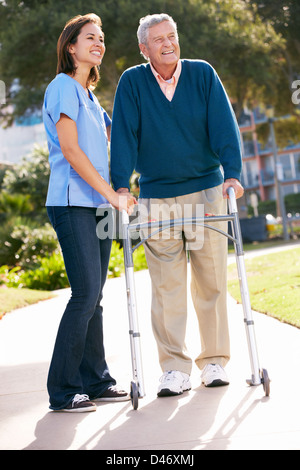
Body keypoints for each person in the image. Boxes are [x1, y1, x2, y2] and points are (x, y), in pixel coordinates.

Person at [110, 14, 244, 397]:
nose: (168, 43)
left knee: (211, 280)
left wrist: (232, 173)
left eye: (172, 36)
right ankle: (174, 369)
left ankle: (214, 361)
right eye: (158, 39)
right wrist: (121, 184)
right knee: (167, 286)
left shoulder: (202, 74)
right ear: (143, 48)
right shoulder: (133, 82)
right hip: (155, 196)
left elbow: (224, 125)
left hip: (206, 192)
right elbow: (123, 134)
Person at [42, 14, 136, 412]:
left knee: (95, 295)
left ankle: (96, 381)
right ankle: (63, 390)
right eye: (90, 38)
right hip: (71, 203)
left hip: (96, 205)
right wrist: (109, 195)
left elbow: (121, 139)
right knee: (84, 294)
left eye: (101, 38)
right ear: (71, 47)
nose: (98, 43)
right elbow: (71, 150)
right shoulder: (63, 87)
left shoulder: (93, 99)